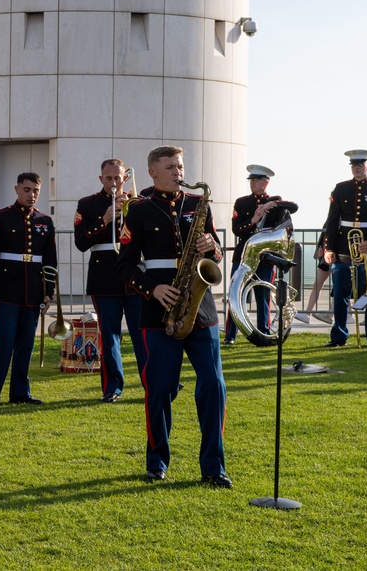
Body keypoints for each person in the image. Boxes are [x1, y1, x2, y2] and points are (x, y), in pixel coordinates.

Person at [117, 145, 230, 487]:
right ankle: (157, 463)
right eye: (171, 167)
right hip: (158, 311)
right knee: (160, 388)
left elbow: (217, 256)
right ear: (153, 171)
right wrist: (153, 290)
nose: (179, 172)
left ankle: (214, 467)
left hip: (202, 310)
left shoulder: (197, 204)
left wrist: (214, 247)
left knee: (213, 387)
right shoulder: (137, 210)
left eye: (180, 167)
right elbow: (124, 266)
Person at [0, 172, 57, 407]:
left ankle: (20, 392)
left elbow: (50, 261)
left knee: (26, 343)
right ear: (16, 190)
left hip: (33, 292)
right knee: (3, 343)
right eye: (27, 190)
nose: (31, 195)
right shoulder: (0, 217)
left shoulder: (45, 222)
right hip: (6, 291)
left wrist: (48, 292)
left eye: (35, 190)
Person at [74, 159, 143, 402]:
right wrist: (104, 219)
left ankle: (153, 383)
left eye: (118, 178)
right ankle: (113, 387)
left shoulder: (139, 202)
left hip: (135, 277)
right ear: (101, 179)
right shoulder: (88, 204)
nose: (114, 183)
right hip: (105, 276)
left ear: (125, 179)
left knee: (142, 334)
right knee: (110, 335)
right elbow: (81, 242)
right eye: (109, 178)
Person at [321, 149, 367, 348]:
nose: (357, 168)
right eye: (353, 165)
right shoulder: (340, 189)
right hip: (344, 247)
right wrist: (328, 249)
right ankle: (338, 338)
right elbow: (332, 221)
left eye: (360, 165)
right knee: (341, 296)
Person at [223, 165, 299, 344]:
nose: (253, 183)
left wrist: (272, 204)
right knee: (236, 294)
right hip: (244, 255)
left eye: (256, 180)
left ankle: (263, 331)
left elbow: (294, 206)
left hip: (265, 257)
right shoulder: (241, 202)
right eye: (251, 180)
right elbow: (236, 229)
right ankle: (230, 335)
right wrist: (253, 221)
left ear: (265, 182)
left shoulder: (275, 201)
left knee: (263, 295)